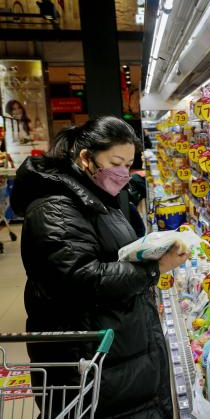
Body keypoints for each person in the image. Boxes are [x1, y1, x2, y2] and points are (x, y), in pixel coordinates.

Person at [10, 116, 186, 418]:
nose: (123, 173)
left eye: (128, 165)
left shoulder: (98, 197)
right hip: (89, 366)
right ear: (85, 158)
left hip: (117, 355)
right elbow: (82, 279)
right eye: (116, 162)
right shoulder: (54, 208)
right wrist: (154, 270)